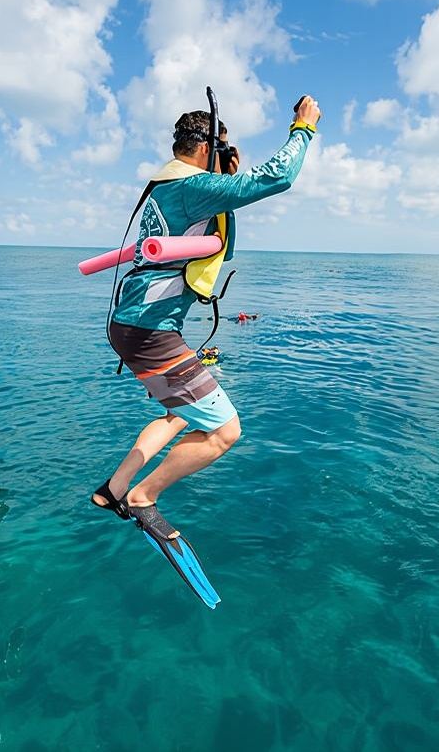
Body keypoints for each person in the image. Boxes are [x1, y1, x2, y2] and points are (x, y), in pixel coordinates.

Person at [93, 94, 321, 553]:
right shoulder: (190, 187)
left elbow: (217, 225)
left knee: (181, 413)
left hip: (132, 325)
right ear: (203, 152)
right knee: (225, 431)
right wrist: (303, 129)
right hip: (152, 332)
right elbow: (275, 178)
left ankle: (114, 490)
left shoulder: (166, 187)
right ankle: (143, 496)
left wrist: (227, 171)